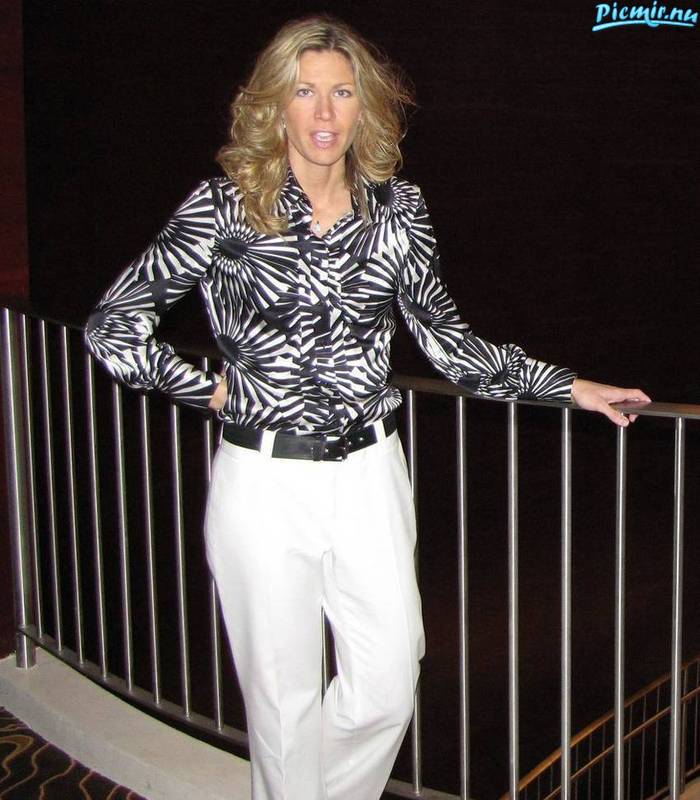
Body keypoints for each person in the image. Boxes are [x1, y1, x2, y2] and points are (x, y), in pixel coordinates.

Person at [85, 15, 649, 800]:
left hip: (369, 472)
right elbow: (113, 326)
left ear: (365, 106)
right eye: (304, 92)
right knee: (282, 707)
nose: (324, 113)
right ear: (274, 106)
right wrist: (207, 389)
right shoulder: (224, 209)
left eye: (342, 93)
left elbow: (448, 344)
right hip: (264, 478)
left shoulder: (397, 211)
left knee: (387, 680)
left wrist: (570, 386)